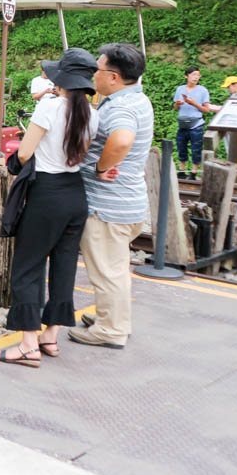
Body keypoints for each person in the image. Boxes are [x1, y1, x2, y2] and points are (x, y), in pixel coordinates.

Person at [0, 48, 99, 368]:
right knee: (65, 265)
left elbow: (25, 154)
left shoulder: (49, 107)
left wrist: (9, 163)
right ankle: (50, 336)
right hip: (75, 194)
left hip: (46, 194)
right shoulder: (94, 114)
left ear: (62, 79)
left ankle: (28, 345)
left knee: (29, 266)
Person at [69, 43, 153, 350]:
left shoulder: (120, 107)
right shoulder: (137, 98)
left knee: (107, 271)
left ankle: (110, 330)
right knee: (116, 268)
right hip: (128, 201)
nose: (94, 74)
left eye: (98, 69)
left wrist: (101, 167)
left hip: (108, 205)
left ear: (114, 77)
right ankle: (113, 317)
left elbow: (121, 140)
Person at [173, 66, 214, 179]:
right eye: (194, 75)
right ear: (186, 76)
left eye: (198, 75)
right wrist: (178, 104)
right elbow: (175, 108)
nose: (196, 77)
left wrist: (194, 104)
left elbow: (206, 110)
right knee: (181, 148)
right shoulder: (180, 89)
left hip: (196, 125)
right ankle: (181, 171)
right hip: (182, 123)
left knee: (196, 149)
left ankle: (194, 173)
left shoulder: (203, 90)